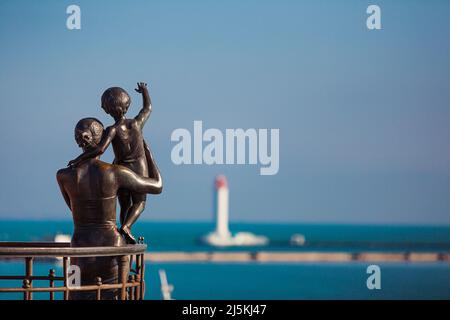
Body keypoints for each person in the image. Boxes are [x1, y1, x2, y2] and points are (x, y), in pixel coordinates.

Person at [57, 117, 162, 299]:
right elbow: (157, 186)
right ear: (103, 139)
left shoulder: (63, 175)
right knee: (116, 295)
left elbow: (74, 209)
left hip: (79, 249)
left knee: (74, 295)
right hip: (111, 249)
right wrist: (148, 155)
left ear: (78, 140)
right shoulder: (114, 172)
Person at [68, 82, 154, 244]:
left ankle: (122, 229)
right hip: (139, 167)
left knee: (124, 204)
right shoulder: (136, 124)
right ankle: (127, 227)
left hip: (121, 167)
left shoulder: (112, 130)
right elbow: (148, 108)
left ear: (108, 109)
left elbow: (100, 149)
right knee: (140, 202)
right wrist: (144, 91)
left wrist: (79, 159)